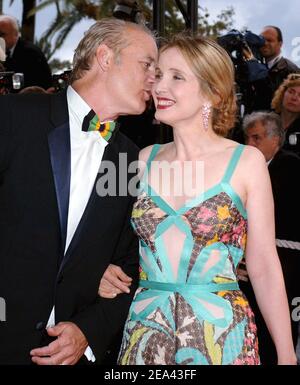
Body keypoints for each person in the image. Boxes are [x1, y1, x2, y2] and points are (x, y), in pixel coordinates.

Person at [98, 34, 296, 365]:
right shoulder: (141, 160)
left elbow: (263, 264)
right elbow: (111, 242)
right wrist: (100, 270)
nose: (160, 86)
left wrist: (287, 354)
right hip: (147, 331)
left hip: (220, 333)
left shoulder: (246, 162)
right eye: (159, 74)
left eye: (177, 77)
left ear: (213, 92)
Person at [0, 18, 157, 365]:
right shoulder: (14, 117)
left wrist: (88, 330)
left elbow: (130, 265)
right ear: (105, 57)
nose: (154, 78)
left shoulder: (130, 159)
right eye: (147, 65)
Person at [242, 111, 300, 364]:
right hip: (253, 262)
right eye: (247, 138)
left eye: (256, 138)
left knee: (281, 326)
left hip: (288, 263)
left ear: (275, 139)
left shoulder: (292, 167)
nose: (249, 145)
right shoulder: (246, 168)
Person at [0, 15, 53, 90]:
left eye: (2, 34)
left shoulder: (29, 53)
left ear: (15, 34)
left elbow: (30, 87)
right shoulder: (11, 52)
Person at [260, 26, 300, 107]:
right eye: (262, 40)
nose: (265, 43)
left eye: (270, 40)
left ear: (280, 44)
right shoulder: (256, 68)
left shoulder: (291, 70)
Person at [271, 73, 300, 156]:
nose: (294, 98)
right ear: (282, 94)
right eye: (291, 92)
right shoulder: (266, 120)